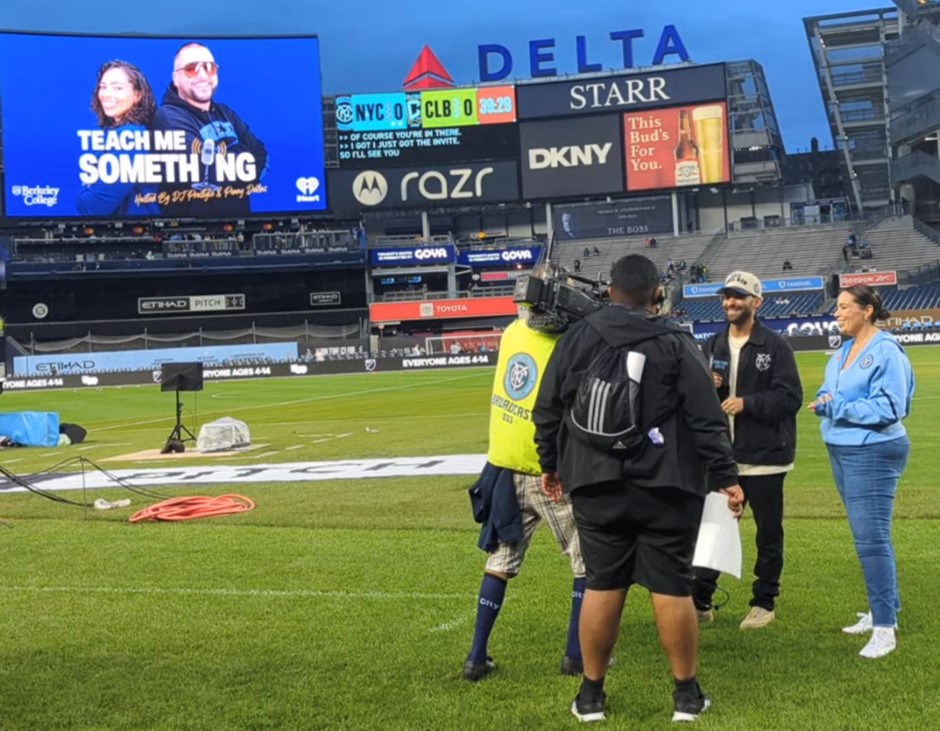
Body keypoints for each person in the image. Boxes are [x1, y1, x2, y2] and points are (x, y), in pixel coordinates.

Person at [533, 254, 744, 724]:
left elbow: (547, 409)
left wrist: (550, 465)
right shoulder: (675, 340)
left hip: (593, 480)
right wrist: (727, 478)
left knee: (602, 582)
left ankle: (591, 696)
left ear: (610, 291)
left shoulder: (577, 337)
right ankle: (686, 696)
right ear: (656, 295)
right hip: (665, 483)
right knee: (671, 584)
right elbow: (706, 419)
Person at [464, 306, 586, 682]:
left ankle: (475, 657)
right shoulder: (568, 341)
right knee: (587, 563)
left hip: (504, 468)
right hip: (549, 471)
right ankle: (574, 655)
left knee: (499, 563)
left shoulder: (513, 332)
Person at [692, 271, 803, 629]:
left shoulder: (775, 346)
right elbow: (695, 401)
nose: (730, 303)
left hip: (766, 457)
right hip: (723, 458)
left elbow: (791, 398)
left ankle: (764, 603)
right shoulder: (711, 345)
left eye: (738, 297)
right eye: (726, 297)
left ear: (756, 302)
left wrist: (747, 403)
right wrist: (710, 389)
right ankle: (701, 601)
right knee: (714, 530)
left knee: (768, 533)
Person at [809, 285, 914, 659]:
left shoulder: (886, 350)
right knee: (866, 534)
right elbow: (829, 391)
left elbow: (891, 406)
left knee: (871, 540)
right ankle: (884, 611)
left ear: (867, 310)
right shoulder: (840, 353)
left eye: (842, 307)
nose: (835, 314)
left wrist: (837, 406)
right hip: (841, 448)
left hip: (872, 450)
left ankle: (884, 628)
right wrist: (825, 401)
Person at [152, 42, 268, 217]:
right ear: (176, 78)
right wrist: (242, 156)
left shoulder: (225, 112)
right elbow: (204, 171)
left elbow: (261, 153)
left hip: (240, 225)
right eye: (192, 68)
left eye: (209, 67)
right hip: (191, 230)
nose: (203, 75)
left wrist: (228, 162)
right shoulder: (168, 117)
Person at [78, 60, 161, 217]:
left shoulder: (130, 137)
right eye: (103, 87)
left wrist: (83, 192)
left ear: (138, 95)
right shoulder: (116, 133)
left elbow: (93, 207)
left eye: (117, 88)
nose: (107, 94)